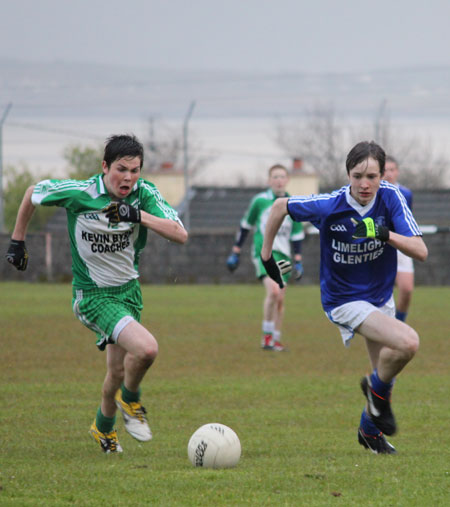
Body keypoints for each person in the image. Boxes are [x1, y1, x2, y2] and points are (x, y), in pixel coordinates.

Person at [5, 134, 188, 454]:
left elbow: (180, 234)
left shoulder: (144, 194)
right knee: (146, 350)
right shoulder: (81, 193)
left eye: (135, 170)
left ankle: (102, 428)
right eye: (121, 169)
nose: (128, 177)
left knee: (116, 371)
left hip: (129, 293)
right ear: (105, 167)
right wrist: (17, 241)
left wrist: (136, 215)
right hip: (92, 296)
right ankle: (131, 402)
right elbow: (33, 192)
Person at [260, 141, 427, 454]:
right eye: (358, 175)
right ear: (348, 174)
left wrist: (383, 233)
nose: (365, 184)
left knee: (386, 373)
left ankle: (369, 430)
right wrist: (266, 255)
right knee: (408, 344)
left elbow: (421, 250)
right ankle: (374, 393)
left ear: (382, 176)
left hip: (379, 297)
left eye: (373, 176)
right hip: (343, 300)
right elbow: (279, 206)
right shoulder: (330, 205)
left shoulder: (391, 198)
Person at [226, 164, 305, 352]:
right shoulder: (260, 202)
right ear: (269, 181)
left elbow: (296, 235)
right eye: (275, 177)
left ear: (287, 180)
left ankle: (275, 339)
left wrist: (299, 260)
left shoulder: (292, 204)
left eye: (282, 177)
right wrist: (236, 251)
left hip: (284, 257)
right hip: (264, 254)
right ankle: (267, 336)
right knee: (274, 292)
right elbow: (246, 225)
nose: (279, 180)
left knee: (281, 298)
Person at [383, 156, 414, 322]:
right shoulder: (375, 192)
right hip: (380, 245)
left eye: (392, 170)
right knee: (380, 292)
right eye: (385, 170)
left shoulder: (406, 194)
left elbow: (407, 220)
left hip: (401, 245)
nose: (388, 173)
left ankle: (399, 322)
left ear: (397, 171)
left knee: (407, 289)